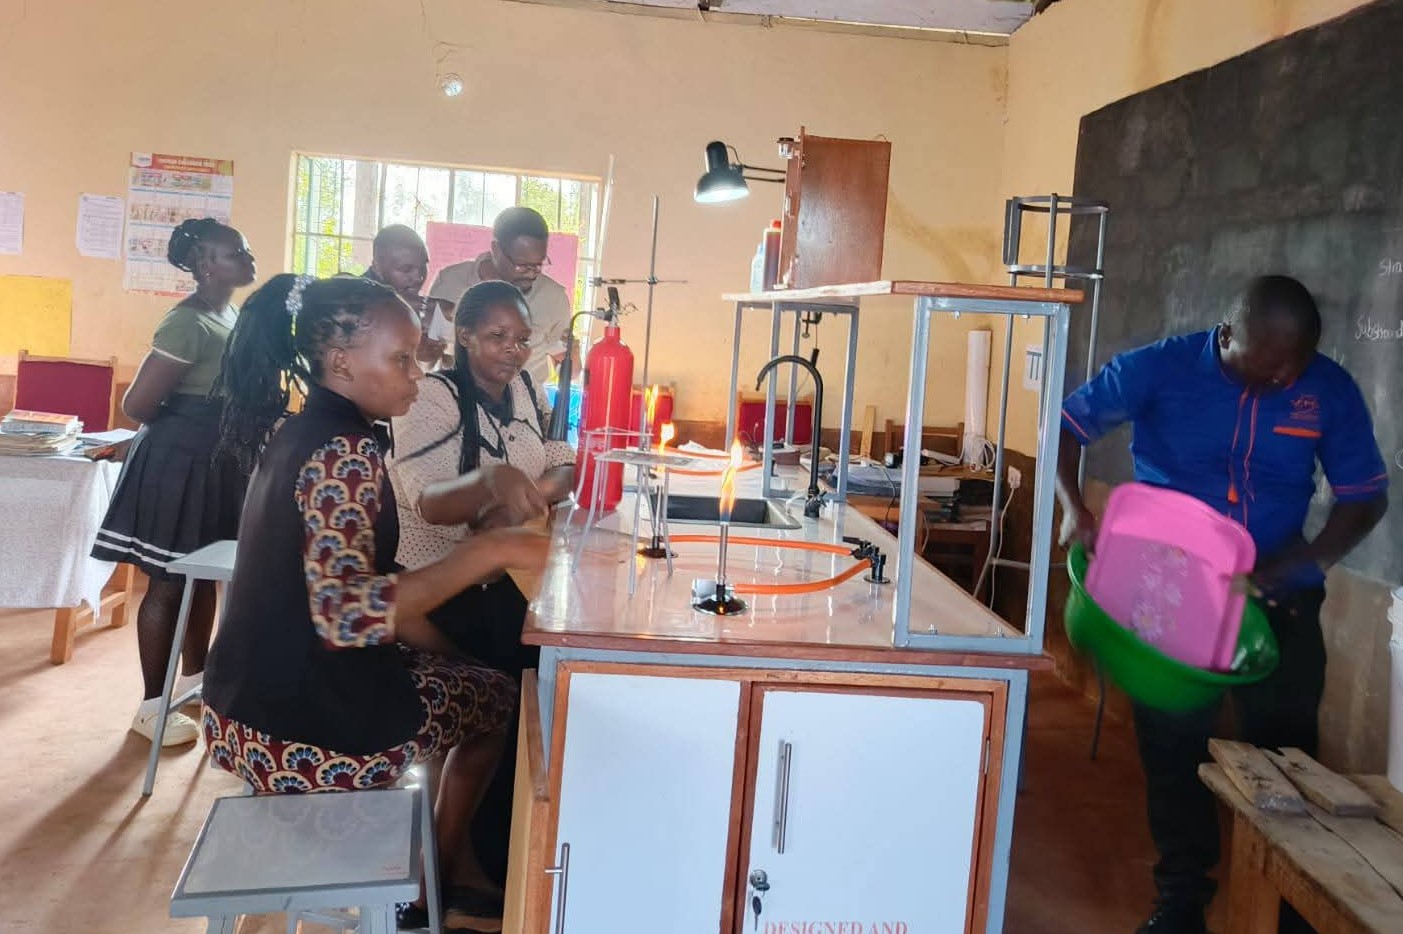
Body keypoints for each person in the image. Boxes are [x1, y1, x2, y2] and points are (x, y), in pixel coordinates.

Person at [203, 273, 548, 931]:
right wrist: (489, 551)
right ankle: (425, 891)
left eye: (417, 357)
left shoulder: (301, 429)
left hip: (239, 699)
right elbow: (346, 613)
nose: (415, 375)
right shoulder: (346, 451)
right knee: (501, 698)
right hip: (302, 723)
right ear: (340, 362)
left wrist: (449, 655)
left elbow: (355, 583)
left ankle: (435, 871)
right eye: (399, 359)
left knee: (478, 679)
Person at [1055, 275, 1388, 934]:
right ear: (1226, 335)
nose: (1279, 380)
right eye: (1263, 369)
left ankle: (1294, 902)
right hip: (1169, 590)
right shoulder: (1156, 368)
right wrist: (1074, 507)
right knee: (1174, 745)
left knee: (1286, 751)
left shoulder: (1328, 390)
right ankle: (1181, 894)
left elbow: (1364, 496)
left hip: (1277, 598)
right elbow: (1066, 425)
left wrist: (1300, 563)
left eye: (1292, 368)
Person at [389, 279, 575, 885]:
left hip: (493, 576)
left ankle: (488, 848)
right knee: (519, 682)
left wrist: (535, 489)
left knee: (543, 657)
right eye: (497, 336)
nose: (512, 350)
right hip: (434, 584)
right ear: (463, 335)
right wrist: (496, 485)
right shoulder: (434, 398)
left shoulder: (522, 389)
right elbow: (429, 502)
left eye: (522, 339)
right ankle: (473, 863)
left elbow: (554, 457)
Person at [91, 218, 255, 746]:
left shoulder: (226, 313)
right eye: (236, 251)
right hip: (176, 462)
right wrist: (192, 422)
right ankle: (153, 706)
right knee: (167, 579)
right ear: (207, 264)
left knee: (200, 577)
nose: (247, 257)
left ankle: (195, 682)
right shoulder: (187, 323)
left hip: (213, 462)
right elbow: (137, 405)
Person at [426, 207, 572, 386]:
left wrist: (572, 361)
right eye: (522, 264)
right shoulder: (450, 282)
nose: (532, 273)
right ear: (496, 249)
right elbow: (426, 360)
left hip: (522, 410)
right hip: (455, 404)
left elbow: (563, 362)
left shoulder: (554, 298)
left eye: (539, 264)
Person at [363, 224, 445, 365]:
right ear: (376, 267)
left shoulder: (410, 302)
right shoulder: (351, 298)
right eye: (406, 269)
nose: (419, 277)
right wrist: (426, 305)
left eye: (423, 266)